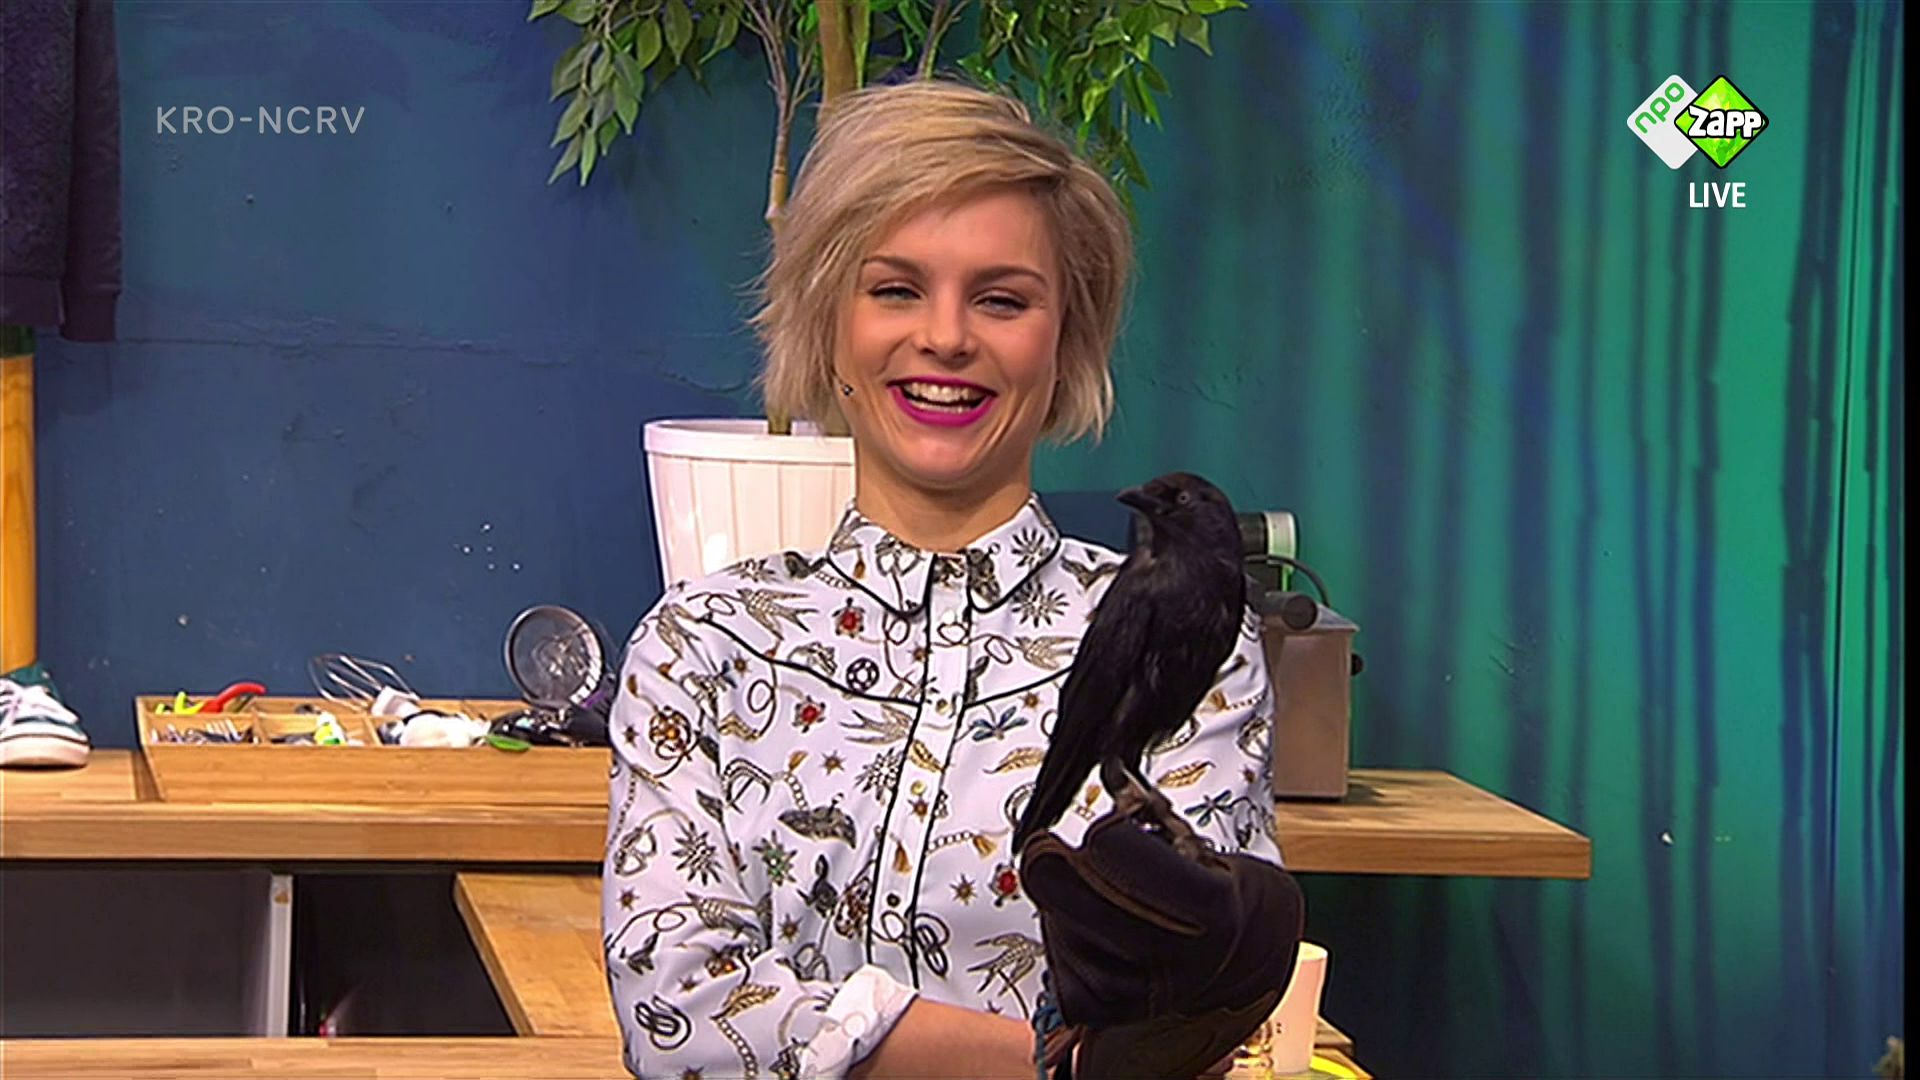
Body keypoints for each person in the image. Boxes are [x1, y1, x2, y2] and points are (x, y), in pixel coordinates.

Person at [604, 79, 1282, 1080]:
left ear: (1067, 340)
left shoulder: (1199, 642)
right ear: (828, 321)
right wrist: (1064, 1068)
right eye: (896, 289)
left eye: (1002, 299)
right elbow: (679, 1015)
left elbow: (1186, 1026)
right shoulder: (701, 646)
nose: (947, 337)